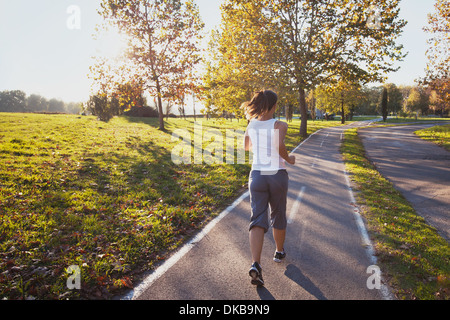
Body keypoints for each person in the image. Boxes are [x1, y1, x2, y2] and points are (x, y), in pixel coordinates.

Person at [242, 90, 296, 286]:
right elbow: (279, 145)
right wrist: (289, 159)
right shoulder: (280, 125)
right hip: (276, 175)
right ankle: (279, 252)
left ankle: (255, 264)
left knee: (257, 218)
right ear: (274, 106)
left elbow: (246, 147)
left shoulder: (251, 124)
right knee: (278, 213)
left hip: (257, 175)